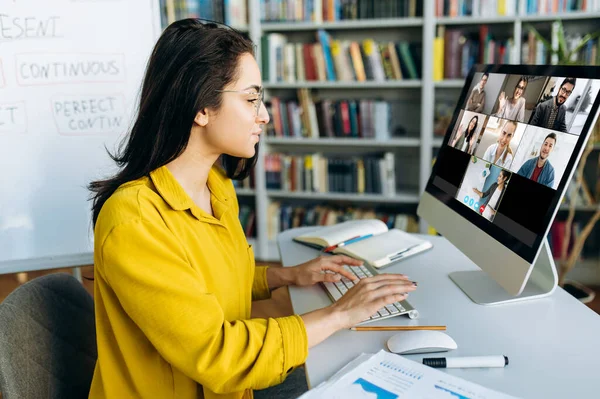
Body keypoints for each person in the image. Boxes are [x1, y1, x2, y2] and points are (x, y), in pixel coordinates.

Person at [86, 19, 417, 399]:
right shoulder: (134, 220)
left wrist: (283, 276)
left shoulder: (216, 186)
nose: (265, 116)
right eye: (250, 99)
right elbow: (219, 355)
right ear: (200, 107)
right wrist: (340, 314)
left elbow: (209, 285)